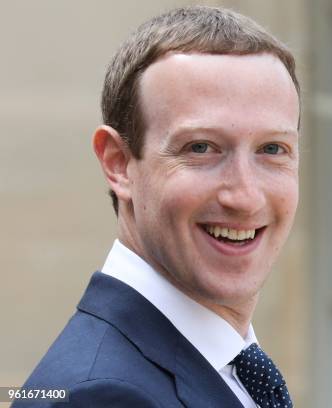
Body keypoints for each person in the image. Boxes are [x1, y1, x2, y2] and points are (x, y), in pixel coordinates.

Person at [14, 5, 299, 408]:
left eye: (272, 149)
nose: (245, 196)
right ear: (118, 164)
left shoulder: (226, 370)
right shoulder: (101, 397)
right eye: (200, 148)